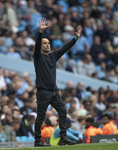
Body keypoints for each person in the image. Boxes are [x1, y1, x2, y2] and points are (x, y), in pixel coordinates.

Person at [33, 17, 82, 147]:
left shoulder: (53, 56)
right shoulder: (38, 57)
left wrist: (75, 38)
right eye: (45, 43)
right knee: (41, 117)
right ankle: (37, 141)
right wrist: (41, 33)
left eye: (48, 43)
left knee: (63, 112)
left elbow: (64, 48)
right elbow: (37, 45)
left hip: (54, 92)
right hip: (43, 92)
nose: (47, 45)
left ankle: (63, 138)